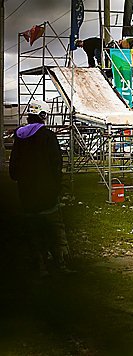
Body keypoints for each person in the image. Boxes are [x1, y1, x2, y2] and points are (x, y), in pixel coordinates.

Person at [9, 100, 69, 275]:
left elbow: (13, 169)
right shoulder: (49, 136)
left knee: (34, 231)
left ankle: (40, 265)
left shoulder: (19, 137)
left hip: (26, 193)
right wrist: (57, 187)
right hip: (47, 192)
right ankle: (60, 264)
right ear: (44, 115)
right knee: (55, 228)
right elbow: (56, 165)